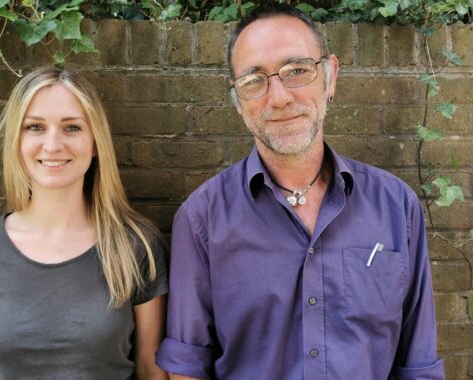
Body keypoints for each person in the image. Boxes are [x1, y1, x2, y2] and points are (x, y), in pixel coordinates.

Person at [156, 4, 444, 380]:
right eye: (253, 79)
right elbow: (187, 369)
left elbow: (418, 365)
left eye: (297, 71)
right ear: (237, 100)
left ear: (330, 77)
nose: (278, 97)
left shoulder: (396, 205)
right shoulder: (201, 219)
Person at [0, 67, 168, 379]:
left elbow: (150, 369)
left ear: (96, 141)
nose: (53, 145)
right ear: (16, 141)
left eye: (72, 128)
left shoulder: (136, 247)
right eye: (35, 127)